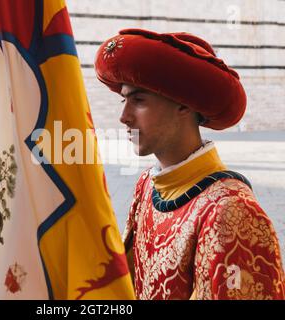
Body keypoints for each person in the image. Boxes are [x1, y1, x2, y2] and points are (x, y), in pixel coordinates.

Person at [94, 29, 285, 300]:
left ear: (183, 105)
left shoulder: (230, 212)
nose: (123, 117)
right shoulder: (147, 186)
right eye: (123, 100)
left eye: (138, 100)